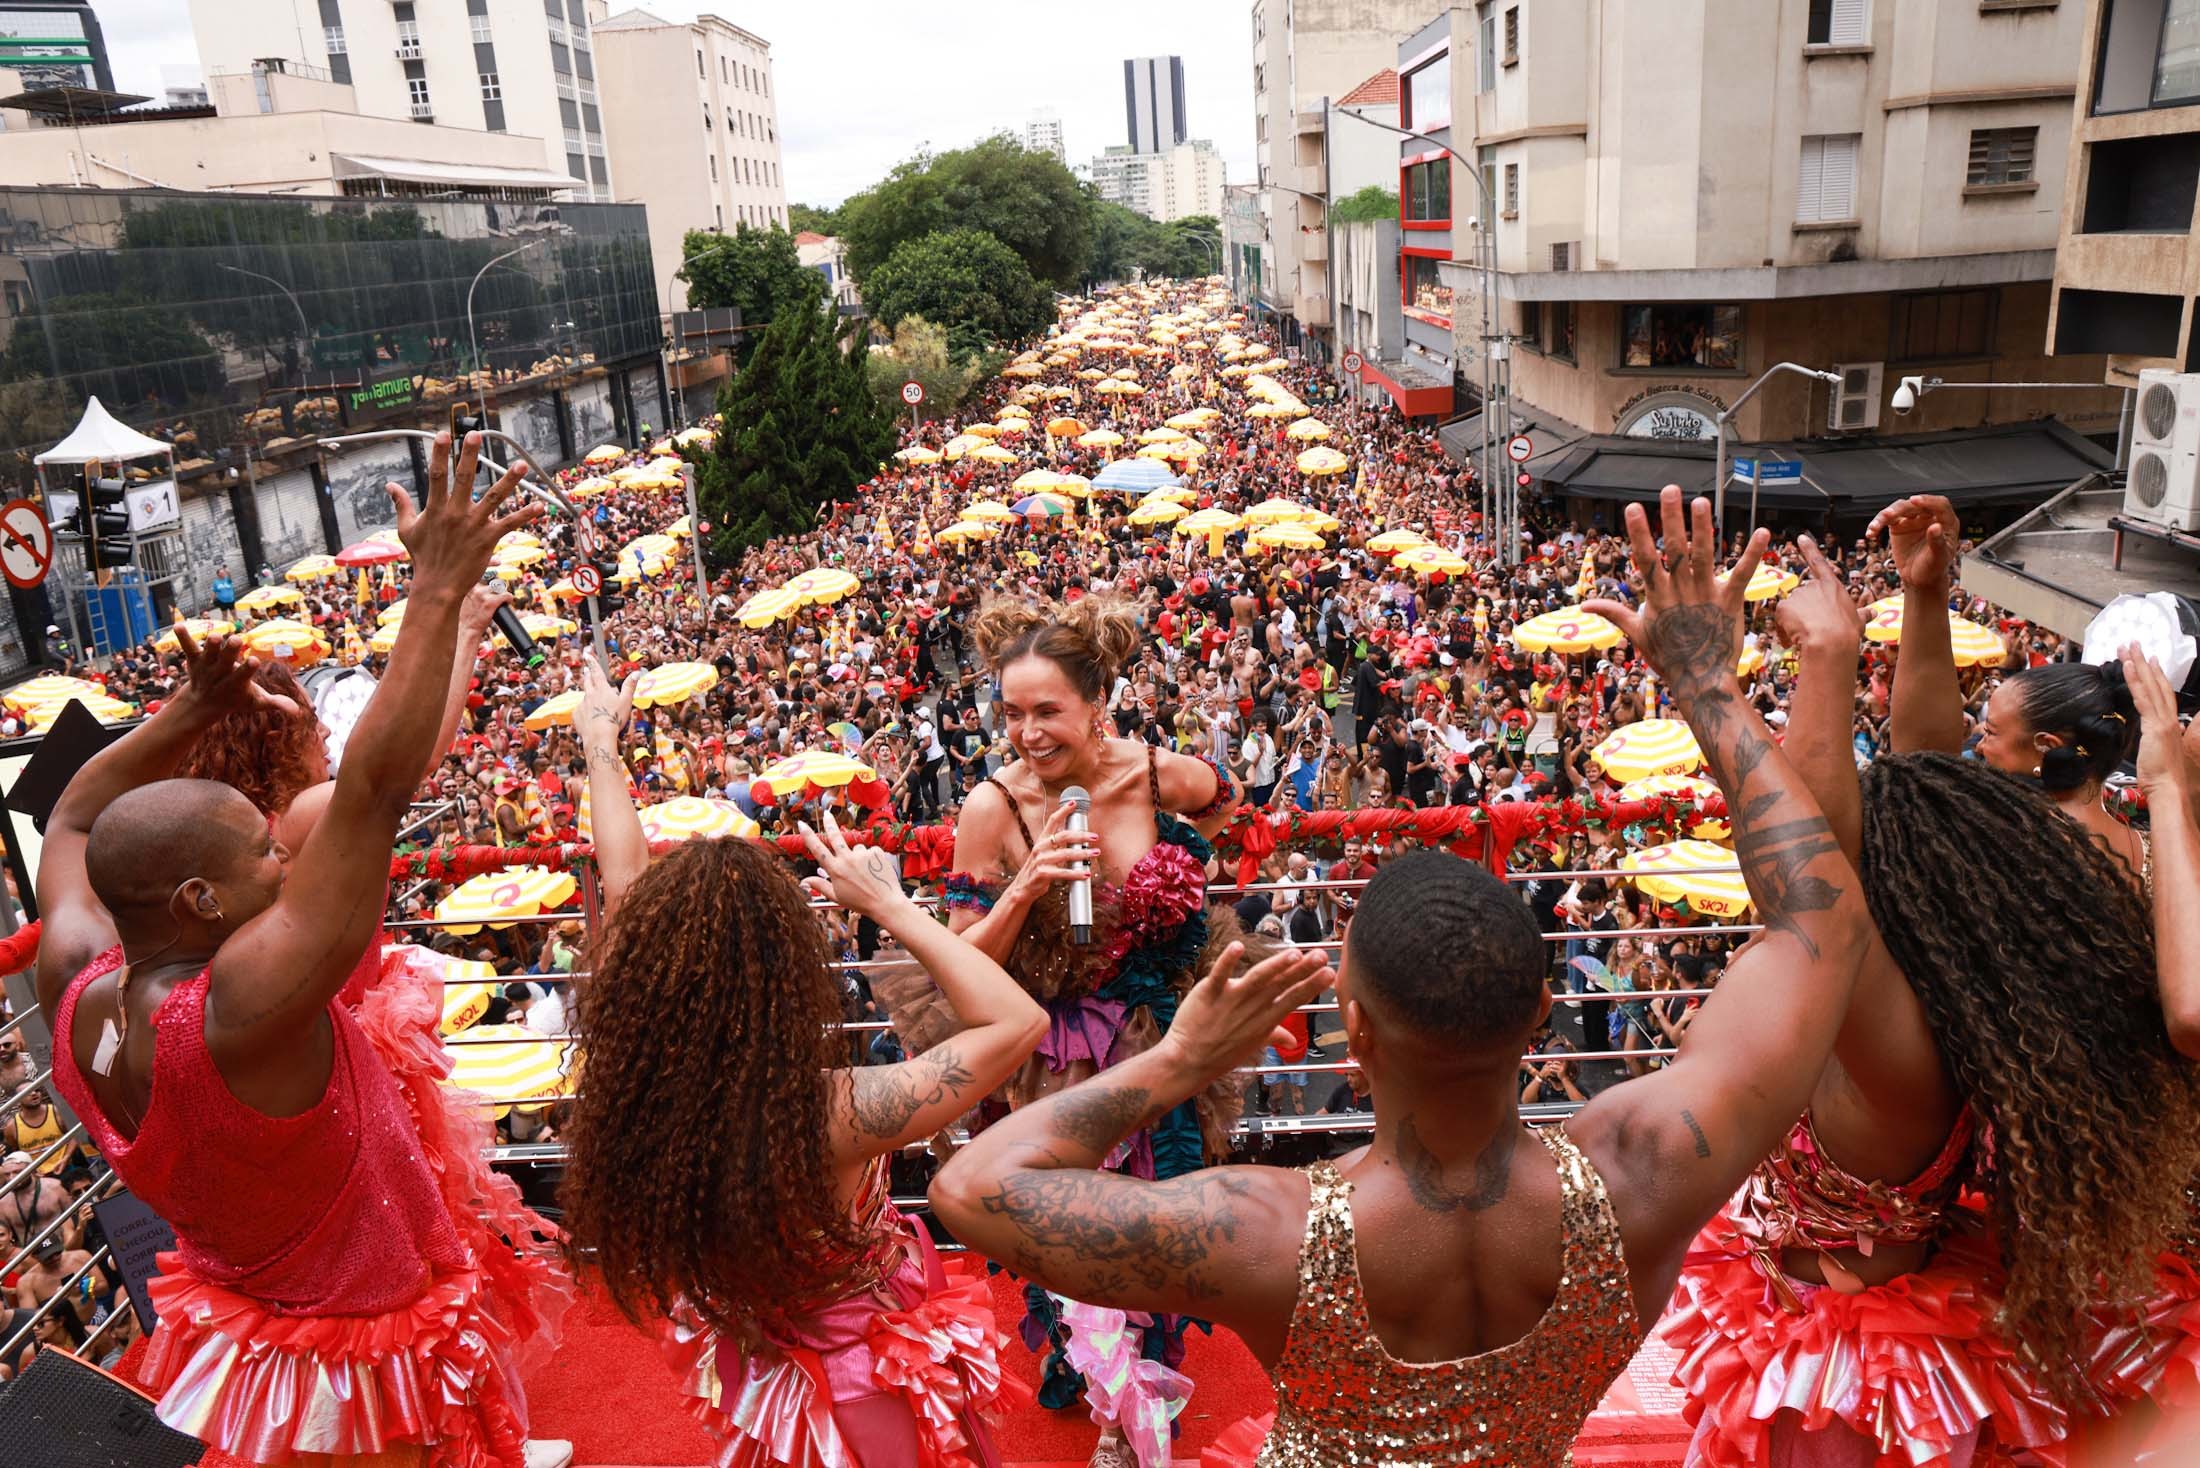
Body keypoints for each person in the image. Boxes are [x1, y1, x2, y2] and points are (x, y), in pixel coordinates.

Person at [933, 488, 1875, 1468]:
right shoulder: (1648, 1171)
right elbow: (1824, 924)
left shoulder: (1260, 1230)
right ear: (1540, 1011)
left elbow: (973, 1186)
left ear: (1354, 1033)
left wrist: (1177, 1062)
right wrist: (1712, 688)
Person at [34, 432, 558, 1468]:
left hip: (252, 1311)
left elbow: (70, 819)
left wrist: (189, 712)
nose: (285, 863)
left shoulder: (75, 981)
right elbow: (374, 786)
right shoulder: (244, 1008)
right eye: (262, 855)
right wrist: (436, 589)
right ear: (197, 900)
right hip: (358, 1355)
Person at [1658, 531, 2200, 1468]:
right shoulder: (1962, 1010)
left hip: (1840, 1384)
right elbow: (1905, 778)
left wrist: (1764, 674)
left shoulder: (1892, 1041)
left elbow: (1808, 871)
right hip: (1870, 1335)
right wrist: (1913, 604)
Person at [556, 655, 1041, 1468]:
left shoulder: (645, 1076)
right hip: (866, 1387)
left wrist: (602, 744)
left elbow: (624, 874)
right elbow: (1016, 1022)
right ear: (787, 978)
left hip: (766, 1368)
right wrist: (889, 906)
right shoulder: (832, 1111)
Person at [877, 594, 1251, 1468]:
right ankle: (1114, 1403)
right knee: (1073, 1231)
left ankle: (1143, 1384)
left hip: (1156, 1041)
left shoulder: (1157, 774)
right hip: (1050, 1056)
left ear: (1098, 703)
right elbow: (957, 958)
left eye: (1047, 711)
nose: (1028, 734)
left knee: (1155, 1220)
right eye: (1011, 714)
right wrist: (1025, 887)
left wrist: (1182, 859)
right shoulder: (991, 807)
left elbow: (1225, 798)